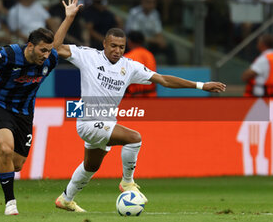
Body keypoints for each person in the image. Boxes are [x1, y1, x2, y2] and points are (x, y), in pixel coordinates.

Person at [54, 27, 226, 212]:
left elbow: (164, 80)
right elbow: (55, 47)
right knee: (134, 138)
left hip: (107, 123)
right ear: (104, 43)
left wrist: (200, 85)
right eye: (113, 46)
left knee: (91, 166)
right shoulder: (88, 56)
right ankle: (127, 182)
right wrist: (70, 18)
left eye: (121, 47)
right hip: (87, 122)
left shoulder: (129, 66)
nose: (117, 50)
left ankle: (65, 199)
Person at [0, 0, 82, 215]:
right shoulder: (8, 55)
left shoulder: (49, 59)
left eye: (48, 51)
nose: (46, 56)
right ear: (30, 46)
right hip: (0, 106)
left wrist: (68, 18)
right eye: (42, 51)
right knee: (6, 150)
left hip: (25, 112)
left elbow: (55, 45)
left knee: (15, 164)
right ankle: (11, 204)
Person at [125, 0, 176, 65]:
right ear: (142, 2)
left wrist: (161, 40)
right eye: (148, 2)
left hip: (150, 41)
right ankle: (145, 67)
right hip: (135, 42)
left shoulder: (155, 13)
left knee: (169, 46)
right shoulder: (134, 12)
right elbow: (135, 36)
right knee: (145, 45)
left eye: (153, 2)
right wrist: (156, 40)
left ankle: (173, 70)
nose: (151, 4)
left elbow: (158, 32)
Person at [124, 30, 157, 97]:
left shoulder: (127, 57)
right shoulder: (150, 55)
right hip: (152, 96)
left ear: (129, 41)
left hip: (134, 97)